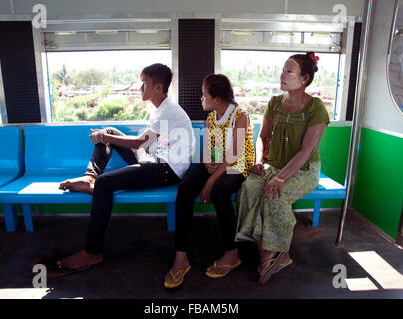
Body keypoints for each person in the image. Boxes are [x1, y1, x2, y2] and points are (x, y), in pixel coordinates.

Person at [44, 63, 194, 277]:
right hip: (154, 159)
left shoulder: (169, 111)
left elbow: (138, 142)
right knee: (111, 131)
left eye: (144, 84)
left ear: (159, 87)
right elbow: (143, 143)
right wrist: (107, 135)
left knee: (105, 183)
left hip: (167, 169)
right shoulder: (160, 109)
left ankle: (92, 252)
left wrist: (103, 138)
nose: (140, 89)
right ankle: (89, 177)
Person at [235, 52, 330, 285]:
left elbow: (306, 150)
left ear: (305, 78)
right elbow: (262, 136)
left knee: (275, 196)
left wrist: (279, 179)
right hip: (274, 164)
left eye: (289, 71)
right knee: (249, 187)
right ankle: (273, 254)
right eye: (283, 70)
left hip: (304, 169)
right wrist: (258, 160)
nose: (283, 75)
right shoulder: (274, 103)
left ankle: (272, 254)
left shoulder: (316, 107)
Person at [164, 74, 255, 288]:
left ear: (218, 98)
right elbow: (208, 147)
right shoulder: (212, 117)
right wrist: (206, 162)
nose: (201, 98)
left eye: (205, 95)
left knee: (219, 192)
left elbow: (233, 156)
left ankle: (232, 253)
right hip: (218, 163)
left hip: (238, 165)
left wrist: (209, 183)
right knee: (185, 188)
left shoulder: (240, 116)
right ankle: (181, 257)